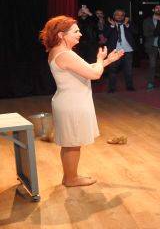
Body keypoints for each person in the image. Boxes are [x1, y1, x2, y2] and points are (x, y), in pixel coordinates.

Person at [40, 16, 124, 187]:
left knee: (71, 143)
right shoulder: (65, 54)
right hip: (72, 104)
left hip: (69, 101)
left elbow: (86, 70)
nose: (80, 34)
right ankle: (71, 179)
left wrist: (107, 60)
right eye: (76, 31)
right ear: (62, 35)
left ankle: (69, 177)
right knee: (72, 144)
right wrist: (101, 60)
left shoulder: (60, 52)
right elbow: (94, 74)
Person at [104, 9, 137, 93]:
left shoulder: (128, 24)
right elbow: (105, 35)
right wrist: (111, 26)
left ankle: (129, 86)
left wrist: (126, 25)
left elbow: (135, 32)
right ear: (114, 16)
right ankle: (112, 88)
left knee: (128, 70)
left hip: (128, 51)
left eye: (122, 15)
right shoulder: (110, 24)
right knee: (112, 70)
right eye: (117, 15)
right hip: (115, 52)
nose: (120, 16)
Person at [143, 5, 160, 90]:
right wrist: (157, 32)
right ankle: (150, 83)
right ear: (153, 9)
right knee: (152, 65)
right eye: (157, 8)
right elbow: (145, 34)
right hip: (152, 46)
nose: (159, 9)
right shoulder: (147, 21)